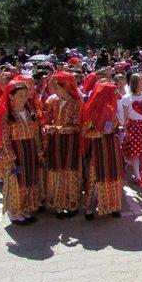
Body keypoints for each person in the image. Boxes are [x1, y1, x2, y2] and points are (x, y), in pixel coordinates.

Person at [0, 78, 44, 225]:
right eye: (19, 95)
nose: (23, 98)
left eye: (25, 94)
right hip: (16, 151)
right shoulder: (6, 116)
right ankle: (14, 212)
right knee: (17, 182)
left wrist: (39, 152)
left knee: (29, 181)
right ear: (11, 96)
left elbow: (36, 135)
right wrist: (10, 158)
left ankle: (25, 209)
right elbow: (5, 140)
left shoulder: (29, 113)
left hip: (30, 150)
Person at [43, 72, 83, 219]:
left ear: (66, 87)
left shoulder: (76, 103)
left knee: (71, 172)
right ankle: (58, 204)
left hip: (71, 143)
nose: (55, 91)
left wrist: (59, 129)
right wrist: (47, 128)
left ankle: (72, 204)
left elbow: (78, 126)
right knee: (56, 171)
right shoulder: (53, 101)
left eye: (57, 88)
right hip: (56, 143)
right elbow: (47, 120)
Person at [81, 82, 124, 220]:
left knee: (113, 176)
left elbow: (117, 124)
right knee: (95, 178)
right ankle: (89, 208)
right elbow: (85, 132)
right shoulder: (91, 111)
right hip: (98, 150)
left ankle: (113, 206)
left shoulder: (111, 108)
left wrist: (117, 129)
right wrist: (100, 132)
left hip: (112, 148)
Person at [122, 73, 142, 184]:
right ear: (135, 83)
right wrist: (125, 130)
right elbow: (124, 117)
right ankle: (137, 176)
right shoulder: (127, 98)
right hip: (133, 127)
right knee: (135, 152)